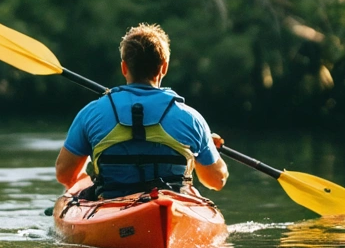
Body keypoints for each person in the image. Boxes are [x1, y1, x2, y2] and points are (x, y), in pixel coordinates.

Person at [56, 24, 229, 198]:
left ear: (124, 67)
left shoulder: (91, 113)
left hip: (112, 204)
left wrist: (84, 186)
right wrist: (206, 149)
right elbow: (216, 181)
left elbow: (65, 174)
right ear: (164, 67)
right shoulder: (192, 119)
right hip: (172, 206)